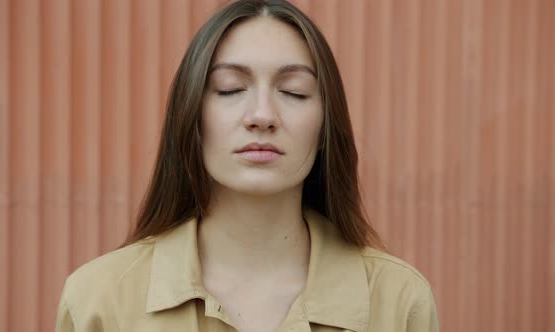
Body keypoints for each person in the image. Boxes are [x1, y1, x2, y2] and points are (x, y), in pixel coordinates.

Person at [55, 0, 439, 331]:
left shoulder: (399, 301)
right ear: (191, 115)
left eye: (294, 92)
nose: (261, 115)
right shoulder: (98, 300)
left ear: (326, 124)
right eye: (230, 89)